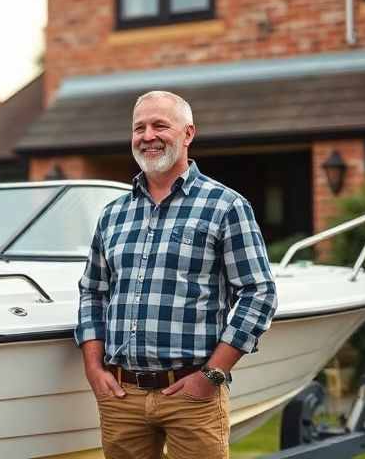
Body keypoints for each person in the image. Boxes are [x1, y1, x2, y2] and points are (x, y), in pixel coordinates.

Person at [75, 91, 277, 458]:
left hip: (193, 395)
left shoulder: (226, 206)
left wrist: (211, 376)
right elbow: (92, 292)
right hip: (122, 396)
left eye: (160, 125)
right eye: (139, 128)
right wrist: (93, 368)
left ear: (188, 134)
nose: (148, 135)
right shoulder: (113, 214)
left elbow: (258, 293)